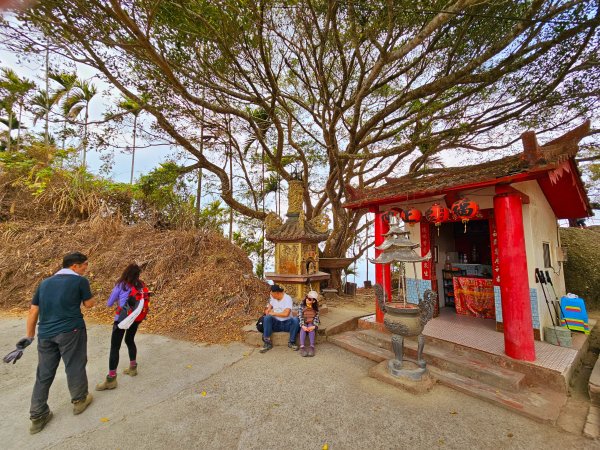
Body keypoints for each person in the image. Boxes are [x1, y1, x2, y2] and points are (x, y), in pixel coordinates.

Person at [21, 252, 95, 434]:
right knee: (75, 364)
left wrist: (29, 336)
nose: (86, 268)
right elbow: (89, 304)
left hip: (45, 333)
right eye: (84, 264)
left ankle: (38, 416)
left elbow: (33, 311)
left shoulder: (44, 283)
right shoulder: (79, 281)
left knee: (43, 373)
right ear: (74, 266)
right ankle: (79, 401)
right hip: (71, 330)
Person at [96, 263, 149, 391]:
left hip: (121, 319)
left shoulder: (121, 285)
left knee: (115, 347)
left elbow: (109, 303)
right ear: (137, 274)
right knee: (129, 340)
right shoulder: (141, 285)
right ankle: (132, 368)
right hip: (135, 318)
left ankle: (111, 379)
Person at [260, 284, 300, 353]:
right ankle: (267, 342)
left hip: (287, 324)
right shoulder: (273, 297)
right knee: (267, 318)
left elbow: (286, 314)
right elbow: (270, 305)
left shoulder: (287, 298)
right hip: (276, 324)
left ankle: (292, 342)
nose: (271, 296)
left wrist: (274, 313)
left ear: (277, 293)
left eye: (272, 294)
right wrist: (268, 310)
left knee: (296, 320)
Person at [298, 291, 320, 357]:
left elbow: (316, 318)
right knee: (303, 329)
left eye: (310, 299)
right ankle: (302, 347)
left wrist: (314, 326)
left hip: (312, 322)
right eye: (307, 297)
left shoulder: (315, 308)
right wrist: (302, 325)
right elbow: (300, 316)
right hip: (304, 321)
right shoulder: (301, 305)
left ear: (313, 301)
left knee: (311, 329)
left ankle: (312, 347)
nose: (307, 299)